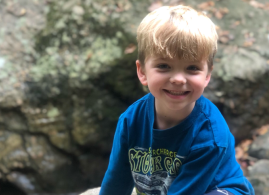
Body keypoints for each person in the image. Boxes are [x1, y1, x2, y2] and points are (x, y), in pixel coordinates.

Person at [99, 5, 254, 195]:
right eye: (164, 66)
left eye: (192, 68)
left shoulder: (210, 136)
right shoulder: (131, 120)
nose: (178, 79)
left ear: (207, 75)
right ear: (142, 71)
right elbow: (116, 179)